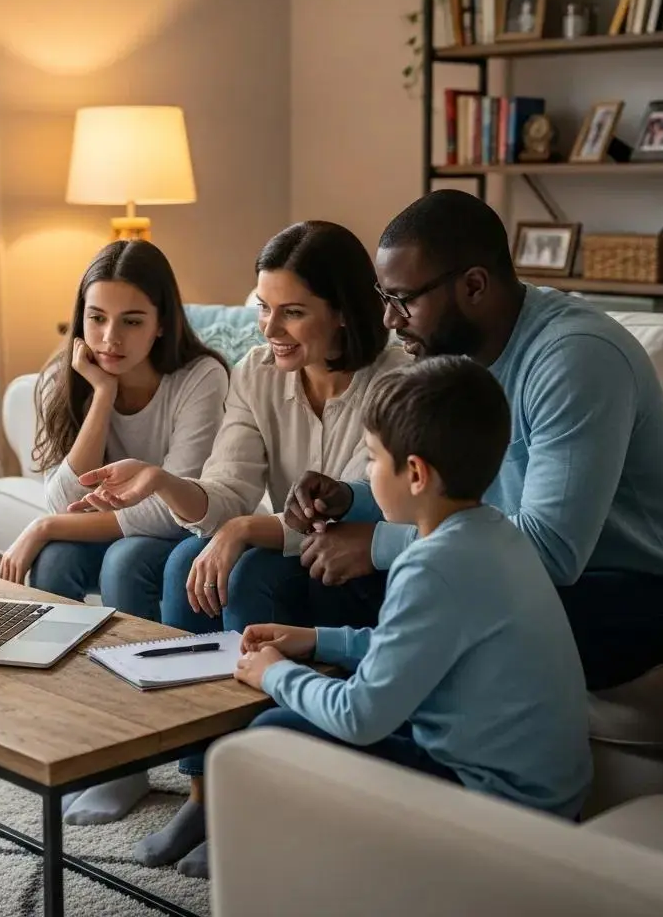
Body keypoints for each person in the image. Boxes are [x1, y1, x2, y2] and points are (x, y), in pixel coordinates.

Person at [175, 356, 593, 880]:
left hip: (497, 810)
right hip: (554, 801)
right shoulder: (496, 535)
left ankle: (280, 882)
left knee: (272, 732)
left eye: (371, 459)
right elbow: (415, 648)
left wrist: (274, 673)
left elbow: (360, 716)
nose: (367, 476)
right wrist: (316, 640)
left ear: (414, 473)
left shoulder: (428, 564)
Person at [72, 219, 406, 866]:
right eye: (263, 308)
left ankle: (252, 793)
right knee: (183, 566)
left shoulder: (394, 379)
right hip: (300, 554)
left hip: (366, 568)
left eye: (292, 313)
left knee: (247, 573)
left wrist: (243, 529)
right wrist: (164, 481)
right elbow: (225, 491)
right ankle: (204, 790)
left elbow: (357, 516)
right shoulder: (259, 372)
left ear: (342, 313)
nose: (269, 328)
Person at [285, 188, 663, 694]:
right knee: (337, 577)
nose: (390, 320)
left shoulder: (574, 357)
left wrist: (378, 545)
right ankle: (361, 742)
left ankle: (407, 750)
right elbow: (442, 490)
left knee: (461, 601)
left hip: (646, 589)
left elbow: (551, 553)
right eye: (383, 298)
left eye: (403, 299)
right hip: (550, 571)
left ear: (474, 286)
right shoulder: (452, 352)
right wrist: (352, 500)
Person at [0, 238, 229, 825]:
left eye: (131, 322)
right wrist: (100, 396)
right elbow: (63, 496)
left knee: (124, 562)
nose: (109, 339)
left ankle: (132, 760)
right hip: (124, 529)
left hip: (188, 528)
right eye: (96, 319)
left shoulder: (200, 378)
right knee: (53, 568)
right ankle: (79, 745)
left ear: (161, 324)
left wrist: (47, 525)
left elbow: (177, 505)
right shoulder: (73, 373)